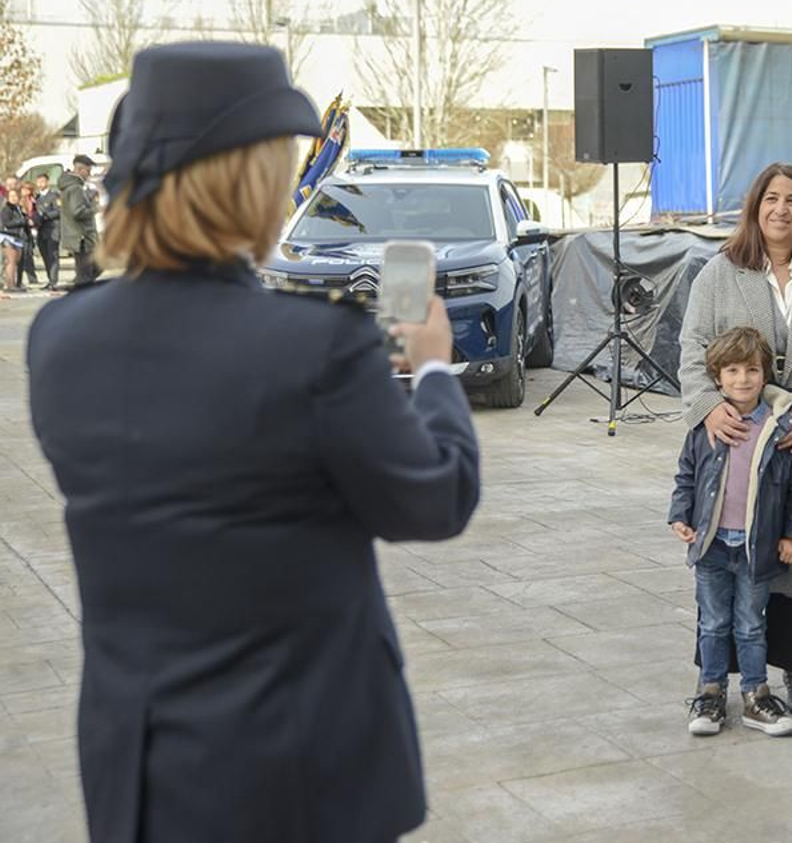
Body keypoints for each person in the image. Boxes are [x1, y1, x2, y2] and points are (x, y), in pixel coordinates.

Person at [27, 42, 481, 843]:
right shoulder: (314, 347)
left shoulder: (59, 339)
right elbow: (434, 498)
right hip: (298, 780)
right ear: (250, 182)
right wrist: (436, 371)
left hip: (140, 777)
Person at [678, 162, 792, 719]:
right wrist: (708, 408)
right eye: (771, 199)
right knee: (732, 561)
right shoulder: (720, 273)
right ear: (755, 207)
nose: (781, 209)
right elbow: (691, 348)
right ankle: (723, 682)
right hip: (736, 442)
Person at [670, 326, 792, 738]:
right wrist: (680, 515)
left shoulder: (781, 428)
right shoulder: (705, 426)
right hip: (711, 545)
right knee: (712, 623)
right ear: (717, 377)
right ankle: (711, 694)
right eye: (731, 370)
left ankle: (755, 696)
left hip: (756, 547)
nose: (742, 379)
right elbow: (686, 475)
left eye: (751, 370)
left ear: (765, 374)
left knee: (751, 624)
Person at [59, 154, 100, 287]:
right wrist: (95, 208)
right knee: (87, 275)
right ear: (80, 170)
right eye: (88, 171)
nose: (89, 174)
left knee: (88, 271)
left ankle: (78, 288)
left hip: (77, 236)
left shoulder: (70, 186)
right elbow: (78, 212)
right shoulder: (75, 188)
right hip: (82, 237)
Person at [32, 172, 61, 290]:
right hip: (41, 231)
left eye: (42, 181)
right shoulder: (37, 197)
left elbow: (59, 211)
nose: (40, 184)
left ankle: (53, 281)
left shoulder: (54, 195)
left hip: (52, 230)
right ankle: (50, 280)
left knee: (52, 255)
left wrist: (45, 215)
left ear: (47, 182)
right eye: (38, 182)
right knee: (45, 256)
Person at [0, 186, 25, 290]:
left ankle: (14, 283)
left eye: (15, 196)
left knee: (16, 261)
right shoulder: (6, 208)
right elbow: (7, 223)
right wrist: (21, 222)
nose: (13, 198)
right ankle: (10, 285)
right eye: (11, 196)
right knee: (11, 261)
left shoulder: (18, 208)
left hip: (17, 237)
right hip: (8, 237)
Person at [17, 182, 39, 286]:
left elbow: (35, 213)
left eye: (28, 190)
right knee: (22, 255)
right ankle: (19, 279)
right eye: (24, 189)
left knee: (29, 254)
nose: (26, 192)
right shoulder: (19, 201)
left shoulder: (33, 201)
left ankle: (32, 278)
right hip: (22, 231)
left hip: (31, 230)